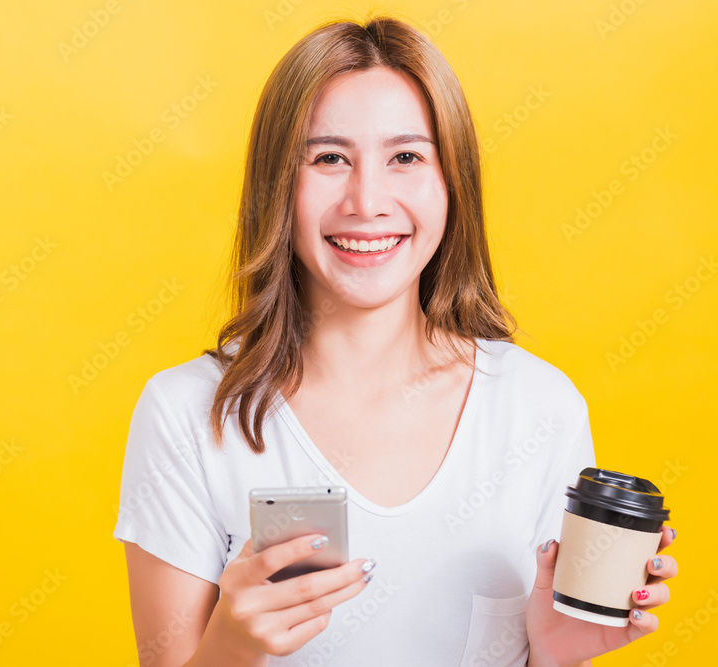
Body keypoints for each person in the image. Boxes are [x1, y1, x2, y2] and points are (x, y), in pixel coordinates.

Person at [112, 14, 678, 667]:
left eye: (406, 157)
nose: (367, 200)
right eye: (329, 158)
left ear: (452, 182)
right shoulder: (186, 414)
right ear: (277, 185)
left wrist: (553, 656)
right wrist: (231, 645)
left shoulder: (541, 409)